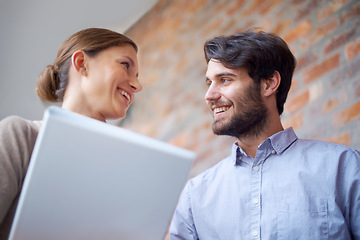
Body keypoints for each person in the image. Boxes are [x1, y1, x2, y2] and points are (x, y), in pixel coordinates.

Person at [169, 30, 360, 239]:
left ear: (269, 83)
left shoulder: (343, 167)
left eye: (224, 80)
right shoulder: (195, 196)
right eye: (209, 83)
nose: (210, 96)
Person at [0, 28, 142, 239]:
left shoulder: (126, 170)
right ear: (82, 64)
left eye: (137, 76)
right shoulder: (22, 136)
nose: (137, 85)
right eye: (125, 65)